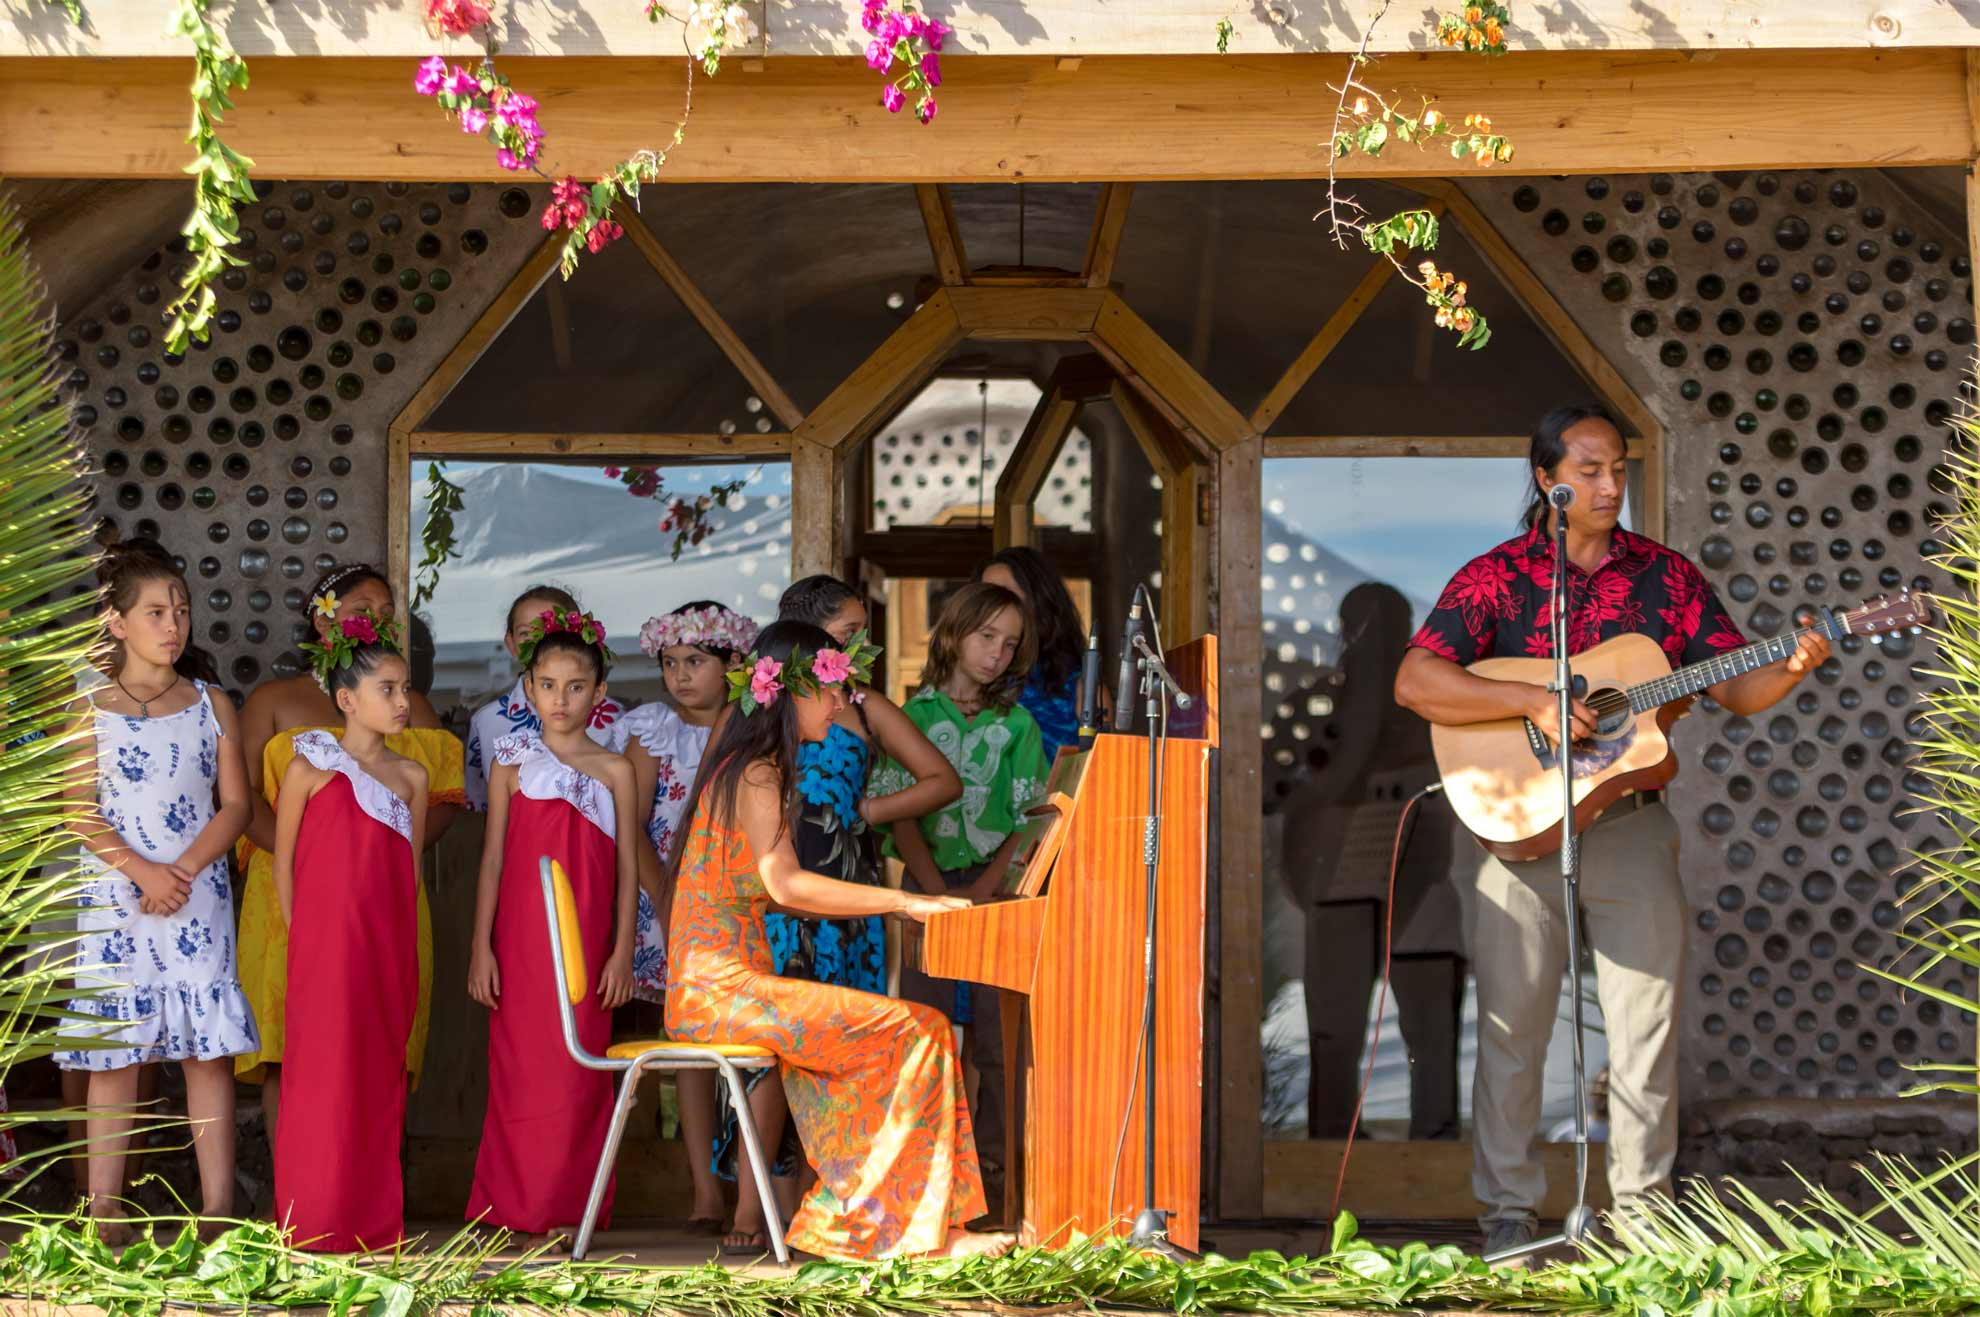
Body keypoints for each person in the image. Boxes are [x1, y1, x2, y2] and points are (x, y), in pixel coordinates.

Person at [1393, 403, 1830, 1258]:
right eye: (1587, 470)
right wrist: (1533, 703)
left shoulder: (1666, 578)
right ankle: (1510, 1216)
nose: (1606, 484)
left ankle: (1644, 1218)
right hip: (1515, 826)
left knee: (1647, 1024)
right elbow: (1418, 680)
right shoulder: (1499, 578)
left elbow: (1733, 689)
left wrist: (1791, 667)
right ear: (1546, 478)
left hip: (1630, 824)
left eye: (1617, 469)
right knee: (1513, 1027)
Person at [662, 620, 1006, 1260]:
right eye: (835, 690)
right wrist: (907, 902)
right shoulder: (757, 774)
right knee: (919, 1029)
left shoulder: (751, 768)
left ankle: (885, 1222)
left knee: (903, 1032)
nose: (846, 704)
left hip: (733, 986)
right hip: (721, 993)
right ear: (792, 694)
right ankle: (899, 1227)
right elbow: (788, 886)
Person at [59, 539, 255, 1241]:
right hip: (119, 897)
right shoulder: (90, 708)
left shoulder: (211, 704)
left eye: (180, 610)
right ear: (116, 621)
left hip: (198, 895)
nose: (173, 625)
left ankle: (217, 1209)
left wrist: (184, 870)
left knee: (206, 1052)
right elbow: (77, 807)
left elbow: (235, 806)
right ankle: (104, 1209)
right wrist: (143, 871)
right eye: (154, 611)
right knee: (117, 1053)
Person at [234, 562, 463, 1143]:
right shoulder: (273, 701)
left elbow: (443, 801)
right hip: (288, 891)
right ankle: (296, 1197)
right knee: (293, 1044)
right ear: (322, 618)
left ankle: (368, 1192)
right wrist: (313, 865)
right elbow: (243, 799)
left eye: (388, 614)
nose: (378, 621)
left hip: (382, 895)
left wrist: (380, 857)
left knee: (378, 1038)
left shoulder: (411, 708)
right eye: (363, 609)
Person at [871, 581, 1051, 1220]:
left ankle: (1003, 1174)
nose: (997, 654)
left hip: (999, 892)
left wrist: (981, 891)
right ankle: (931, 1171)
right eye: (986, 637)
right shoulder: (910, 718)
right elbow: (900, 819)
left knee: (1000, 1040)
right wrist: (934, 894)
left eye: (1010, 644)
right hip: (927, 888)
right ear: (951, 634)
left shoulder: (1019, 723)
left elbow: (1032, 815)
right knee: (928, 1025)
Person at [466, 607, 638, 1239]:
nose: (560, 699)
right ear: (528, 687)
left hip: (589, 943)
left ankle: (573, 1208)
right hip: (519, 940)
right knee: (517, 1069)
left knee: (579, 1071)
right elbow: (490, 862)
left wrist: (622, 952)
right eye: (547, 685)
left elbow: (624, 871)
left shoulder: (616, 770)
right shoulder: (509, 762)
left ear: (599, 694)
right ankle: (508, 1206)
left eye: (575, 687)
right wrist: (480, 948)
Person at [1283, 582, 1465, 1143]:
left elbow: (1302, 795)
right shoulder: (1415, 709)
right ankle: (1366, 1155)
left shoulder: (1428, 709)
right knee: (1352, 1035)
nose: (1368, 639)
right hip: (1354, 881)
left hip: (1398, 882)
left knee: (1388, 1035)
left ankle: (1412, 1155)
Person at [272, 610, 426, 1253]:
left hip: (387, 953)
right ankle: (309, 1224)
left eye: (403, 688)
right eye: (386, 689)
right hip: (322, 952)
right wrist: (305, 937)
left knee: (375, 1078)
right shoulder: (308, 768)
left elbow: (408, 876)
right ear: (346, 700)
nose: (401, 701)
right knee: (319, 1081)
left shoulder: (413, 777)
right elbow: (282, 863)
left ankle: (370, 1226)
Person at [621, 600, 758, 1237]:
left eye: (695, 662)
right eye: (670, 663)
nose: (680, 676)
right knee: (689, 1048)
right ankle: (704, 1188)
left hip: (738, 900)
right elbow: (636, 826)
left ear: (734, 664)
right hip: (668, 904)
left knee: (748, 1045)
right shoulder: (651, 727)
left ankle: (756, 1189)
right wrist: (666, 899)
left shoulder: (754, 725)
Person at [465, 585, 628, 812]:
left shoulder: (615, 719)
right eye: (525, 633)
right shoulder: (487, 721)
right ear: (510, 643)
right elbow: (481, 806)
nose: (538, 642)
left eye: (549, 630)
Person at [975, 547, 1090, 762]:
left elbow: (1104, 769)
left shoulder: (1082, 684)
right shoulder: (969, 674)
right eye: (985, 595)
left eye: (1005, 594)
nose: (991, 605)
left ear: (1039, 600)